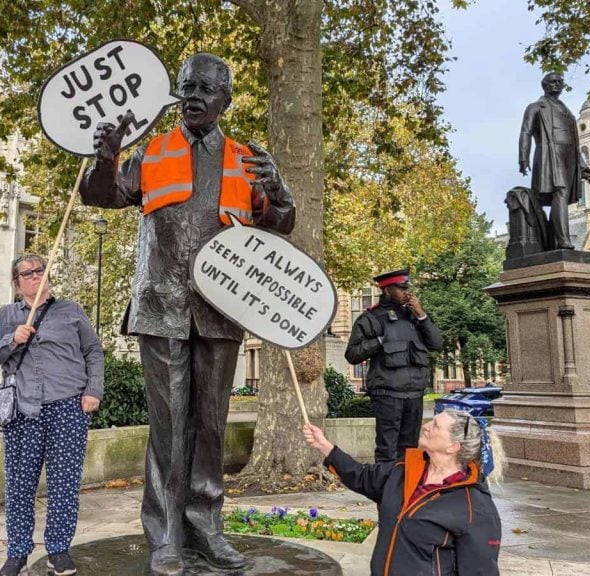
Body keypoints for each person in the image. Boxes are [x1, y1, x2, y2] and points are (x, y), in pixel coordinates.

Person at [79, 53, 295, 575]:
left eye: (206, 88)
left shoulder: (247, 159)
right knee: (168, 427)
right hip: (162, 306)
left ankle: (206, 528)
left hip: (222, 311)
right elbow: (100, 195)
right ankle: (166, 538)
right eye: (187, 86)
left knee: (212, 427)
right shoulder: (152, 150)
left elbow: (280, 225)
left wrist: (279, 190)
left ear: (225, 100)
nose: (194, 95)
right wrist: (106, 159)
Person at [0, 254, 104, 576]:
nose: (36, 276)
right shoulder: (7, 315)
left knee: (64, 483)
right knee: (19, 485)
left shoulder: (71, 311)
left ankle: (59, 550)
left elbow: (93, 351)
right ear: (17, 282)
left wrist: (93, 390)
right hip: (23, 409)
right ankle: (18, 553)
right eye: (28, 273)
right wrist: (12, 339)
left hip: (67, 406)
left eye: (40, 271)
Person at [303, 409, 503, 576]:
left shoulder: (474, 507)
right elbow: (362, 476)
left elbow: (481, 571)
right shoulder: (403, 470)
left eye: (435, 426)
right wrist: (324, 445)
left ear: (453, 447)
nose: (426, 426)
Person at [345, 269, 443, 463]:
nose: (407, 292)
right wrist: (380, 341)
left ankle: (404, 490)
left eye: (407, 288)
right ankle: (385, 490)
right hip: (388, 394)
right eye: (401, 288)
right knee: (387, 449)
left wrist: (422, 315)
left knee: (410, 449)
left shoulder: (414, 317)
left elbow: (436, 344)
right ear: (387, 290)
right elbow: (352, 354)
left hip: (414, 393)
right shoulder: (370, 319)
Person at [518, 72, 590, 250]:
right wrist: (523, 157)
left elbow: (575, 142)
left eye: (560, 82)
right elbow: (525, 132)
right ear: (544, 85)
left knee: (562, 197)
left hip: (569, 156)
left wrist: (582, 165)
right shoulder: (536, 107)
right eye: (553, 82)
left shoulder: (567, 111)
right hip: (549, 153)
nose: (557, 84)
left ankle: (555, 240)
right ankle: (563, 240)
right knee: (559, 192)